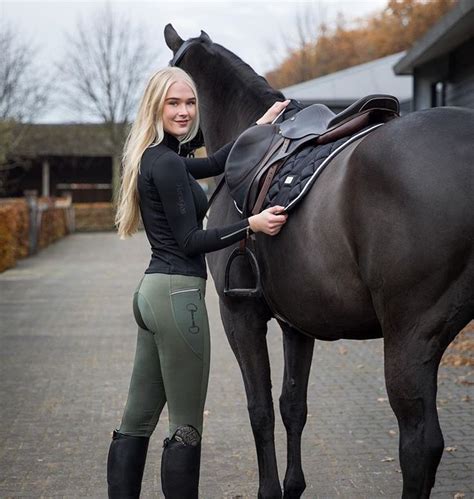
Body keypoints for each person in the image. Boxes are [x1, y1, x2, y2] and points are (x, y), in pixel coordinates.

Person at [106, 66, 289, 499]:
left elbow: (212, 162)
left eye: (190, 103)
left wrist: (257, 128)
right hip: (178, 299)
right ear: (156, 106)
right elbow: (191, 241)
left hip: (153, 296)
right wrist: (253, 225)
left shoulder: (159, 156)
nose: (185, 111)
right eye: (174, 103)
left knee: (135, 421)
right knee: (185, 427)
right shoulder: (166, 163)